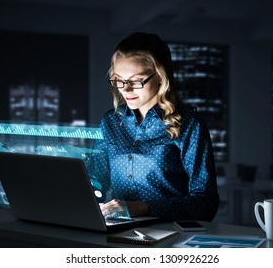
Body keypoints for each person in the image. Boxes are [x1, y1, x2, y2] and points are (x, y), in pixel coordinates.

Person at [90, 32, 219, 221]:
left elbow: (205, 204)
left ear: (160, 76)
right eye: (118, 79)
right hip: (118, 231)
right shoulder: (110, 122)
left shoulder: (190, 123)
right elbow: (95, 183)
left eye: (136, 80)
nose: (125, 89)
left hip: (172, 232)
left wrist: (143, 208)